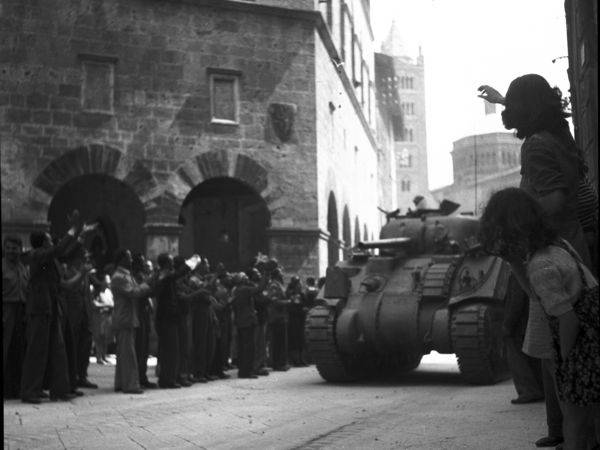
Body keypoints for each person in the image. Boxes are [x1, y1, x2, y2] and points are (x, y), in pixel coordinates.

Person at [479, 74, 594, 448]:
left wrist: (515, 224)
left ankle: (568, 431)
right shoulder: (556, 137)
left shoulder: (536, 146)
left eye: (511, 104)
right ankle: (564, 428)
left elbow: (555, 198)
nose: (504, 111)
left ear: (526, 109)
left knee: (555, 346)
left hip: (548, 246)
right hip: (567, 244)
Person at [480, 188, 599, 450]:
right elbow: (541, 297)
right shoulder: (557, 246)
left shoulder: (540, 266)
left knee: (574, 423)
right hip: (590, 341)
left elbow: (568, 320)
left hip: (579, 348)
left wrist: (564, 363)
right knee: (587, 420)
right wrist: (513, 262)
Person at [20, 212, 96, 403]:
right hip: (39, 308)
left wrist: (79, 236)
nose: (51, 243)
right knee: (37, 349)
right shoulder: (37, 255)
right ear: (43, 243)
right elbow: (60, 250)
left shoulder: (48, 260)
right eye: (48, 239)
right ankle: (30, 391)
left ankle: (59, 389)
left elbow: (63, 257)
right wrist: (73, 229)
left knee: (57, 349)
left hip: (51, 307)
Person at [111, 249, 152, 394]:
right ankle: (130, 385)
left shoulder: (125, 275)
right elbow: (133, 293)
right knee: (128, 353)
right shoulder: (119, 276)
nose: (131, 260)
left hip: (128, 317)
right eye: (128, 257)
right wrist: (147, 284)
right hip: (124, 318)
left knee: (124, 353)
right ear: (122, 259)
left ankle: (121, 382)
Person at [60, 245, 97, 391]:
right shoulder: (68, 271)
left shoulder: (85, 273)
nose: (86, 259)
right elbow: (70, 288)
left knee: (85, 345)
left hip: (85, 314)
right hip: (72, 315)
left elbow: (87, 294)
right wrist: (82, 273)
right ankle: (72, 377)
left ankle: (82, 375)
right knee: (73, 346)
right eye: (84, 256)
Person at [3, 236, 29, 398]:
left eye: (15, 248)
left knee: (18, 350)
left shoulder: (22, 268)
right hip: (6, 309)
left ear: (21, 249)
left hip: (21, 311)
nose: (12, 251)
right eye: (9, 248)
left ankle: (15, 387)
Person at [131, 253, 157, 389]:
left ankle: (143, 376)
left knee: (144, 347)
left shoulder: (142, 276)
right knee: (139, 347)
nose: (143, 264)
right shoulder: (134, 277)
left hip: (145, 315)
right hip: (138, 314)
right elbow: (141, 292)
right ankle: (138, 377)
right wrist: (151, 279)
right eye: (141, 262)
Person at [267, 267, 291, 371]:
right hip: (276, 317)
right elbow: (274, 301)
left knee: (282, 341)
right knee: (277, 341)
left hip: (282, 316)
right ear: (277, 274)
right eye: (281, 273)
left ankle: (282, 362)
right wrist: (288, 302)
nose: (282, 275)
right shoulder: (274, 285)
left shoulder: (280, 284)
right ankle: (277, 363)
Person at [286, 276, 308, 367]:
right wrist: (301, 310)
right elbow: (292, 307)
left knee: (301, 339)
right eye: (297, 283)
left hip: (300, 319)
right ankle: (295, 360)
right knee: (294, 340)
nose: (299, 285)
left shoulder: (301, 294)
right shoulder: (290, 294)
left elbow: (304, 303)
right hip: (293, 319)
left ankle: (301, 359)